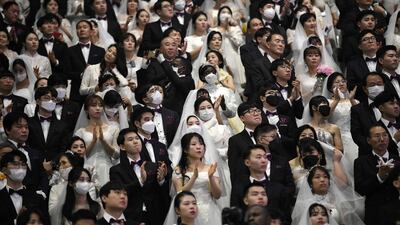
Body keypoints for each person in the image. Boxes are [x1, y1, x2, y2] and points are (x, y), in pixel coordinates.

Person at [110, 128, 169, 225]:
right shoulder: (116, 170)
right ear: (122, 147)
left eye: (137, 138)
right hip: (132, 216)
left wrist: (161, 181)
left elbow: (162, 194)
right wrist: (140, 181)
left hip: (155, 215)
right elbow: (120, 193)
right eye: (130, 139)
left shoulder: (153, 166)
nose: (135, 141)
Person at [168, 132, 222, 225]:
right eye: (193, 144)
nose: (199, 147)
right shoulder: (179, 169)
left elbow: (217, 195)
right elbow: (180, 194)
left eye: (201, 144)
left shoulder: (211, 168)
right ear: (185, 149)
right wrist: (194, 177)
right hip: (188, 211)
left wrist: (211, 177)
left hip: (209, 210)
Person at [230, 145, 290, 224]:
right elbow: (234, 216)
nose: (263, 160)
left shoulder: (279, 188)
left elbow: (287, 218)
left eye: (265, 157)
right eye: (258, 157)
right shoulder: (238, 187)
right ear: (247, 162)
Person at [354, 124, 400, 225]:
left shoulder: (398, 160)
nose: (382, 139)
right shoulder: (361, 162)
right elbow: (359, 189)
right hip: (374, 214)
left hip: (397, 211)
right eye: (377, 136)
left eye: (385, 135)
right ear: (368, 140)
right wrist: (379, 177)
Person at [137, 36, 195, 113]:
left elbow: (185, 84)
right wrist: (143, 67)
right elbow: (144, 87)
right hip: (159, 107)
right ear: (160, 49)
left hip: (181, 107)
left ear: (177, 48)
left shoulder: (183, 63)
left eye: (174, 45)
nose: (170, 47)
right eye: (167, 44)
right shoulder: (153, 64)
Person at [292, 166, 364, 225]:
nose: (322, 180)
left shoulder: (338, 200)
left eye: (325, 177)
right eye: (317, 177)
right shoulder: (303, 204)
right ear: (310, 183)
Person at [74, 95, 120, 187]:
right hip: (86, 168)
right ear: (86, 110)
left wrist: (103, 141)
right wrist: (93, 141)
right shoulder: (80, 132)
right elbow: (78, 157)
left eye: (100, 105)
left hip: (106, 167)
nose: (98, 108)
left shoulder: (113, 129)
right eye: (94, 105)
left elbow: (116, 155)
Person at [3, 112, 49, 194]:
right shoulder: (2, 150)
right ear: (7, 130)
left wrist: (42, 193)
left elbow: (43, 175)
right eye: (19, 127)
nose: (24, 130)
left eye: (26, 127)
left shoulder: (34, 152)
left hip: (36, 200)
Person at [0, 150, 47, 225]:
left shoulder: (37, 198)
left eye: (23, 164)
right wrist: (17, 222)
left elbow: (45, 221)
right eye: (15, 164)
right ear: (4, 170)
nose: (20, 168)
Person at [66, 19, 105, 104]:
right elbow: (67, 72)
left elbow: (103, 70)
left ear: (91, 31)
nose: (82, 29)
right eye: (79, 28)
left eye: (85, 27)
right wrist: (82, 74)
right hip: (76, 93)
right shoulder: (70, 51)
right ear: (76, 32)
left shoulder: (100, 51)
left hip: (95, 91)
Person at [27, 86, 70, 161]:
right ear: (38, 101)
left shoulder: (62, 126)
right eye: (47, 98)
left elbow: (63, 149)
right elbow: (27, 146)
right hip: (33, 164)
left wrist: (52, 163)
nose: (51, 101)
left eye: (53, 99)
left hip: (54, 166)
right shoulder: (28, 123)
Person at [254, 124, 295, 196]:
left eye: (277, 136)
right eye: (273, 137)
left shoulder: (282, 160)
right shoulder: (250, 160)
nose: (277, 139)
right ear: (261, 139)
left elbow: (290, 186)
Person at [244, 32, 285, 102]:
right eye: (277, 41)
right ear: (268, 44)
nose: (281, 44)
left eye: (283, 42)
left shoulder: (287, 65)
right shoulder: (256, 65)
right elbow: (258, 87)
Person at [48, 152, 86, 225]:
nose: (60, 167)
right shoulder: (55, 188)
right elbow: (52, 213)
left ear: (73, 165)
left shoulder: (84, 185)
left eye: (64, 163)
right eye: (59, 164)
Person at [228, 103, 262, 183]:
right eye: (250, 111)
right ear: (242, 118)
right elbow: (235, 171)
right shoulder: (235, 141)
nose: (256, 113)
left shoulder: (271, 135)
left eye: (257, 110)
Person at [346, 30, 381, 103]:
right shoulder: (352, 64)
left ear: (377, 44)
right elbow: (351, 86)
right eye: (366, 39)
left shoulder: (385, 60)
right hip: (363, 102)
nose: (370, 41)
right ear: (360, 46)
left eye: (373, 38)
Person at [374, 91, 400, 156]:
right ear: (381, 108)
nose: (396, 106)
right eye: (391, 103)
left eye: (397, 103)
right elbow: (378, 151)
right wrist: (395, 140)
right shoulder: (375, 128)